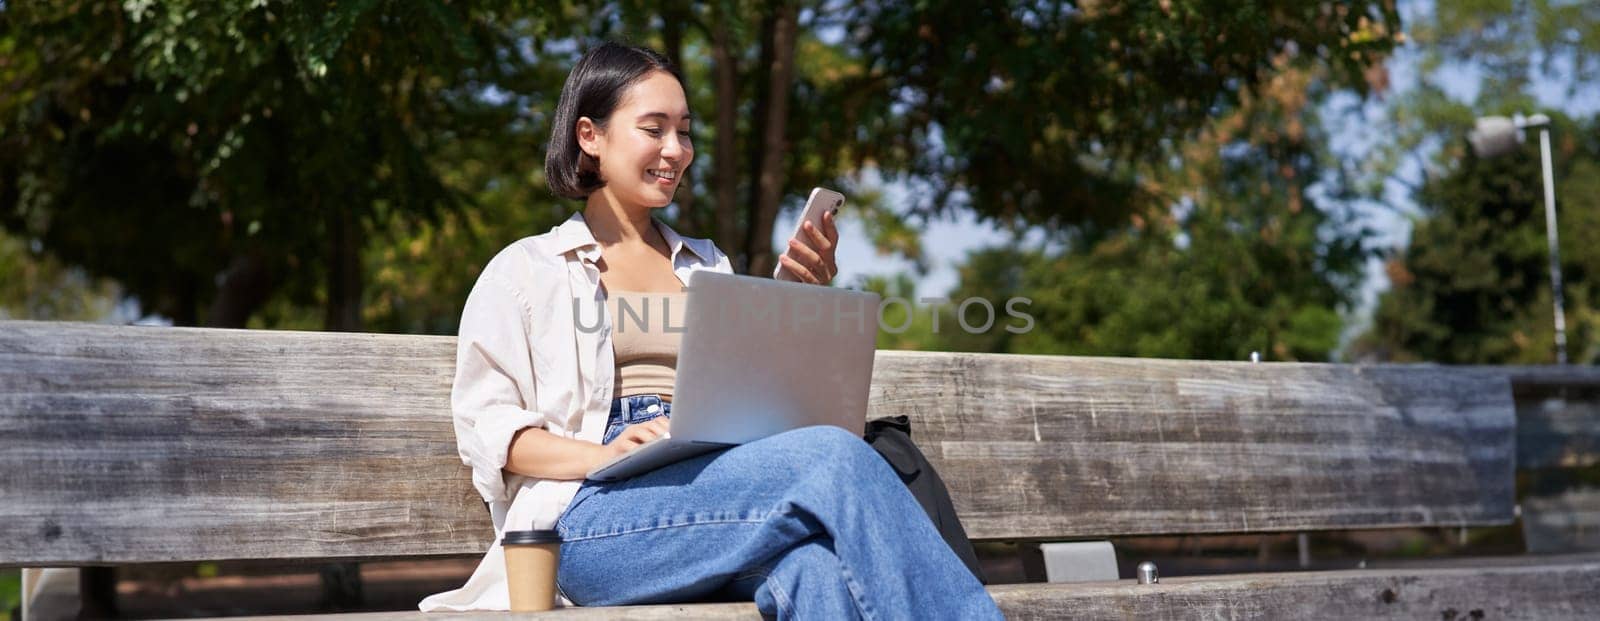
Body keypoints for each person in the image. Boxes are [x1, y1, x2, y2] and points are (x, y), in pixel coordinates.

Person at [420, 41, 1002, 620]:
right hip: (589, 517)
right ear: (589, 136)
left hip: (714, 485)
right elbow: (492, 431)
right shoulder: (526, 270)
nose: (675, 150)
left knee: (817, 568)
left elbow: (755, 402)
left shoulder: (706, 266)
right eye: (654, 129)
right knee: (833, 457)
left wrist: (801, 302)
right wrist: (601, 453)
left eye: (685, 131)